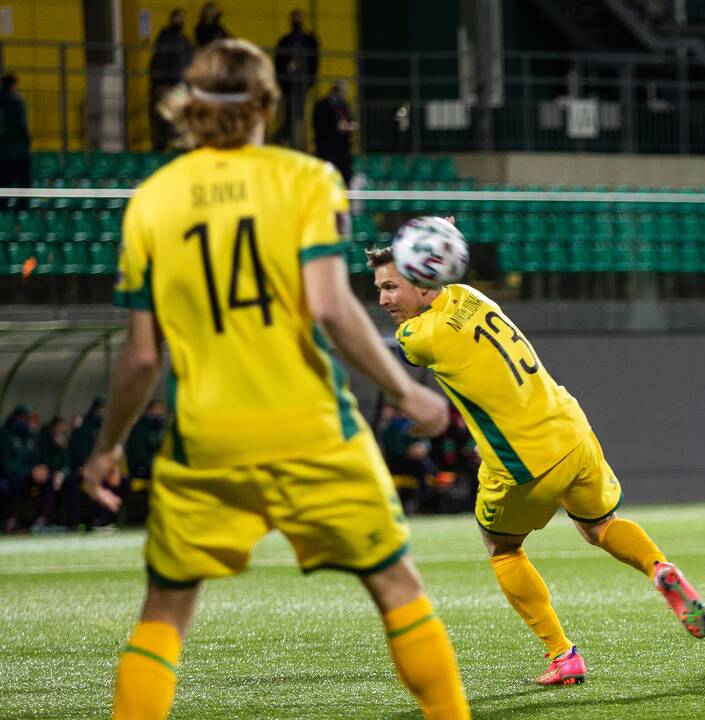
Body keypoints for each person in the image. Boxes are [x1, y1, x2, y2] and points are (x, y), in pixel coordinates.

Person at [81, 39, 469, 719]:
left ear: (188, 106)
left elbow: (142, 358)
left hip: (205, 443)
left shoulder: (149, 202)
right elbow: (327, 306)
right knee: (396, 588)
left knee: (165, 612)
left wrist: (108, 446)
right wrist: (406, 391)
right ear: (267, 102)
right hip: (311, 432)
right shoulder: (306, 178)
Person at [369, 239, 705, 686]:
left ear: (420, 280)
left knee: (503, 549)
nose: (383, 300)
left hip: (521, 460)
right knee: (600, 525)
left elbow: (409, 351)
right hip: (572, 430)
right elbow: (447, 285)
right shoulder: (471, 296)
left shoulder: (418, 336)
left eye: (391, 286)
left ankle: (562, 654)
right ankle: (659, 567)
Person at [273, 9, 319, 149]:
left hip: (302, 83)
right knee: (291, 113)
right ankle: (285, 138)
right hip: (288, 83)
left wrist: (311, 78)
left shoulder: (308, 40)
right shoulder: (285, 40)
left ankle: (283, 137)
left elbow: (314, 58)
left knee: (298, 114)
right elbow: (279, 61)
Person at [148, 9, 193, 150]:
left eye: (181, 18)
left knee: (176, 123)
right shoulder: (167, 37)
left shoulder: (184, 39)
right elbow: (160, 61)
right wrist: (161, 83)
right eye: (177, 17)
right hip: (169, 85)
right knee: (164, 122)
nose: (179, 21)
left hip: (179, 85)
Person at [1, 405, 45, 533]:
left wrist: (36, 470)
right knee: (16, 481)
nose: (23, 421)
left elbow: (35, 459)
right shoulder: (5, 434)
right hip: (8, 475)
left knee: (46, 479)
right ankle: (12, 520)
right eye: (20, 418)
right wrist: (29, 470)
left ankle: (41, 520)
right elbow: (7, 464)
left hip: (26, 474)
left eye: (25, 418)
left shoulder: (31, 436)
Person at [312, 79, 357, 185]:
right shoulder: (321, 105)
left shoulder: (344, 105)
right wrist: (336, 127)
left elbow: (349, 119)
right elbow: (319, 126)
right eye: (343, 91)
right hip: (327, 150)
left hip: (342, 151)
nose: (345, 94)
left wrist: (350, 125)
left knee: (345, 178)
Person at [0, 73, 31, 212]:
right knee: (23, 184)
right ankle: (20, 211)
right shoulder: (17, 101)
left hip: (3, 152)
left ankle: (4, 212)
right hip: (17, 151)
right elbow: (20, 126)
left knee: (4, 184)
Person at [34, 417, 71, 529]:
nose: (61, 430)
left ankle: (70, 523)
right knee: (48, 482)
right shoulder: (44, 440)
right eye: (59, 427)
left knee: (71, 482)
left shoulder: (64, 442)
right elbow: (44, 462)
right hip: (42, 473)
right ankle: (44, 520)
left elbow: (67, 464)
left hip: (57, 475)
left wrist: (61, 473)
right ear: (53, 428)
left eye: (62, 428)